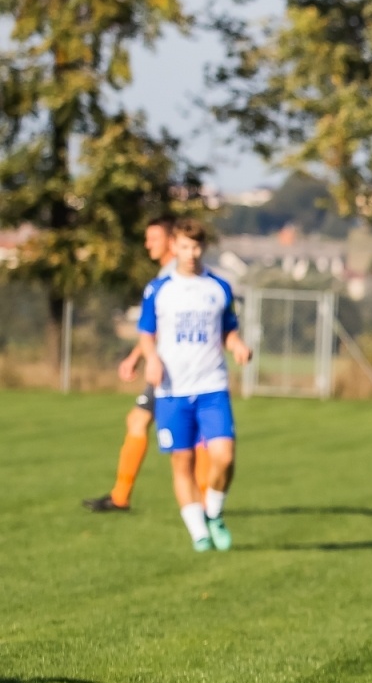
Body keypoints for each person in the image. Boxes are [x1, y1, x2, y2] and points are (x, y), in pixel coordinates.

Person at [82, 217, 212, 512]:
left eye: (153, 238)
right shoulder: (170, 274)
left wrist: (135, 358)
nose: (147, 244)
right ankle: (123, 495)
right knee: (145, 422)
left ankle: (199, 501)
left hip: (172, 370)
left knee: (183, 434)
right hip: (167, 366)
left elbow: (161, 329)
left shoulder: (174, 276)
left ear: (170, 241)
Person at [138, 218, 251, 551]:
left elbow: (228, 329)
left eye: (197, 246)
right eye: (185, 246)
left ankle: (213, 513)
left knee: (224, 457)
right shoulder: (158, 290)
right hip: (172, 390)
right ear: (174, 246)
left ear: (204, 247)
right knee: (182, 462)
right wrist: (152, 358)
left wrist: (237, 345)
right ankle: (198, 532)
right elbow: (146, 334)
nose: (191, 253)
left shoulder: (219, 287)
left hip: (212, 386)